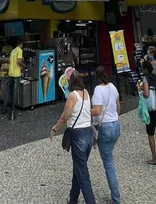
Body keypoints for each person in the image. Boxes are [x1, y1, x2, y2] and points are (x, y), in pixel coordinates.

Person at [50, 70, 95, 204]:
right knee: (79, 168)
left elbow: (65, 116)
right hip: (88, 134)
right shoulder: (86, 92)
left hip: (78, 135)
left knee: (83, 174)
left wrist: (55, 129)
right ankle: (73, 198)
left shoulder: (72, 96)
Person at [91, 66, 121, 204]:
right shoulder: (113, 87)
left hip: (106, 127)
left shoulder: (98, 89)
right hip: (115, 125)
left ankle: (116, 199)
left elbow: (97, 110)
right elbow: (118, 105)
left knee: (108, 163)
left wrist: (86, 110)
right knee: (109, 158)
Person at [4, 39, 23, 120]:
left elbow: (9, 61)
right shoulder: (20, 50)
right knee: (15, 93)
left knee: (8, 91)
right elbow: (19, 61)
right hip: (16, 74)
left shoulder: (12, 51)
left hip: (10, 74)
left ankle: (4, 109)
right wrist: (23, 65)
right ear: (21, 44)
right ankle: (12, 113)